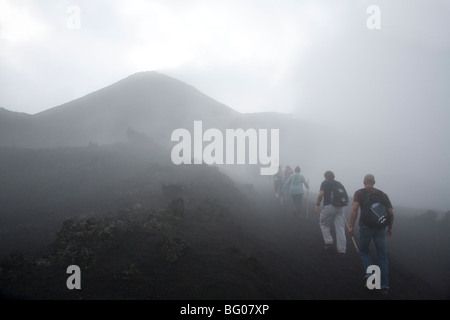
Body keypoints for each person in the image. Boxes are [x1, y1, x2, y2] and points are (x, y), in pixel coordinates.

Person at [349, 174, 394, 295]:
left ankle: (371, 276)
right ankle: (384, 285)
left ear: (364, 181)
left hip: (365, 227)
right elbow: (391, 213)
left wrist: (351, 226)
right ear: (374, 182)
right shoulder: (383, 194)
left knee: (364, 252)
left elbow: (354, 208)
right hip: (380, 228)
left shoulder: (359, 192)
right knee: (382, 256)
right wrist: (389, 227)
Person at [315, 171, 347, 254]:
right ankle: (342, 249)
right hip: (341, 207)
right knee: (340, 228)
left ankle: (328, 242)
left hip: (329, 206)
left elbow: (321, 194)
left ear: (325, 176)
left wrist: (318, 204)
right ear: (333, 176)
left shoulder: (325, 183)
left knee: (323, 224)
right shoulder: (338, 183)